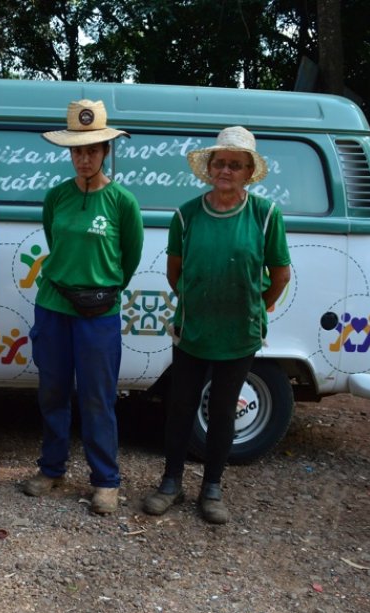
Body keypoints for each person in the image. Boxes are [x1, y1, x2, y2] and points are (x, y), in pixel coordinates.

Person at [142, 126, 291, 524]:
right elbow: (177, 273)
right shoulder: (186, 214)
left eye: (236, 165)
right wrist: (199, 299)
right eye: (220, 163)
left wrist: (259, 308)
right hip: (193, 329)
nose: (226, 170)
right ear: (209, 168)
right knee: (180, 407)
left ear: (247, 172)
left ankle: (212, 488)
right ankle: (170, 483)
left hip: (239, 333)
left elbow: (280, 274)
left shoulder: (265, 215)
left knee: (224, 411)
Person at [22, 100, 144, 515]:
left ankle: (105, 480)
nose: (85, 157)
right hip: (54, 306)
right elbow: (56, 247)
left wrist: (99, 291)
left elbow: (129, 258)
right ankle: (51, 468)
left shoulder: (122, 202)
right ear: (69, 153)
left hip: (100, 314)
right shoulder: (56, 197)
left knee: (98, 397)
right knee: (53, 391)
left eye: (93, 149)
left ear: (106, 151)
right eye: (77, 150)